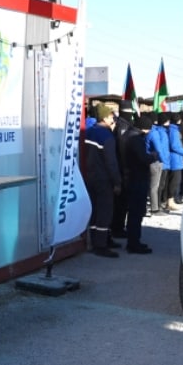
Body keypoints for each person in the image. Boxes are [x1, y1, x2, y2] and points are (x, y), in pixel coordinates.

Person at [81, 104, 122, 258]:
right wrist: (117, 182)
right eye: (112, 116)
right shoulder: (107, 137)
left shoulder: (88, 132)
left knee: (94, 210)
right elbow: (111, 162)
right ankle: (101, 245)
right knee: (105, 212)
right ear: (105, 117)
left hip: (89, 177)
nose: (114, 118)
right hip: (104, 179)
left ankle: (95, 241)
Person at [121, 114, 157, 253]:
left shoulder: (127, 135)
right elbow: (142, 158)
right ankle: (134, 243)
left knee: (133, 212)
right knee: (137, 212)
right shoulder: (136, 139)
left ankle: (133, 240)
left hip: (130, 177)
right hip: (137, 178)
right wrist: (152, 157)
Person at [110, 108, 135, 239]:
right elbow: (122, 148)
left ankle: (118, 227)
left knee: (122, 202)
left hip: (122, 169)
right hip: (122, 170)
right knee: (121, 202)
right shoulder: (123, 126)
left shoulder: (122, 124)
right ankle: (117, 228)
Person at [164, 113, 183, 211]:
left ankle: (169, 201)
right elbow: (175, 146)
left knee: (172, 181)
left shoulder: (170, 129)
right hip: (175, 159)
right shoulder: (173, 131)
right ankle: (170, 202)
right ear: (179, 121)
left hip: (173, 159)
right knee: (174, 181)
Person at [145, 112, 169, 216]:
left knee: (150, 185)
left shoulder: (150, 132)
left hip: (149, 160)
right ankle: (154, 208)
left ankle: (147, 206)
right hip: (155, 161)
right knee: (154, 186)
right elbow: (158, 148)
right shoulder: (154, 133)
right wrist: (163, 161)